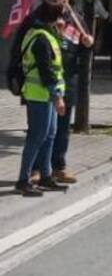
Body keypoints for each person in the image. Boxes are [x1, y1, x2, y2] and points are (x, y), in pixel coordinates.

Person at [14, 11, 69, 197]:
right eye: (59, 19)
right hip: (40, 95)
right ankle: (23, 180)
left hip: (45, 95)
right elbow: (46, 71)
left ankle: (46, 176)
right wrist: (57, 97)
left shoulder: (46, 36)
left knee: (50, 135)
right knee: (37, 137)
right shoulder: (41, 39)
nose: (62, 22)